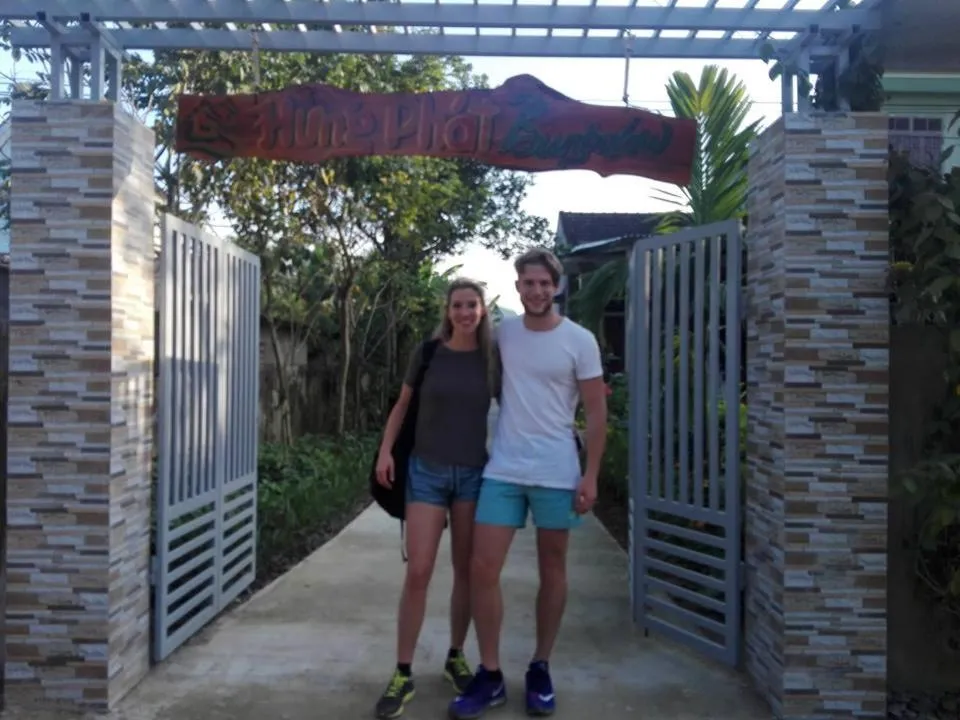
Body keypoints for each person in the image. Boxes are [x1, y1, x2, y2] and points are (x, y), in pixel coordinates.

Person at [449, 248, 607, 719]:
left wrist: (591, 473)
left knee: (553, 569)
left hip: (557, 472)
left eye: (545, 283)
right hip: (504, 469)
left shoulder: (580, 340)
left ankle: (540, 666)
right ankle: (491, 673)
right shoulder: (503, 335)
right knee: (482, 569)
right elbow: (458, 351)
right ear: (517, 286)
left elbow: (597, 411)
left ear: (556, 287)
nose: (537, 290)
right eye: (528, 283)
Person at [373, 278, 498, 720]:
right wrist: (386, 451)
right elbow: (402, 406)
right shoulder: (428, 354)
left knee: (464, 570)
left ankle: (456, 655)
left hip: (472, 475)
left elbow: (519, 405)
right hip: (425, 472)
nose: (464, 313)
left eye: (472, 305)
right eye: (457, 305)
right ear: (447, 311)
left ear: (483, 311)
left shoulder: (491, 359)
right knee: (420, 571)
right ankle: (403, 671)